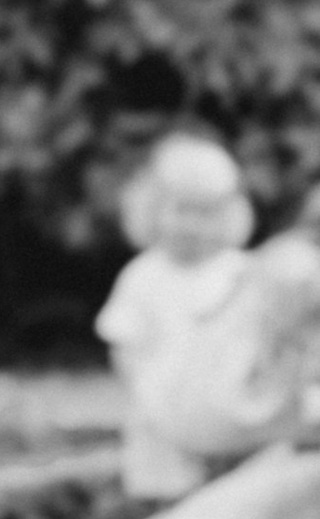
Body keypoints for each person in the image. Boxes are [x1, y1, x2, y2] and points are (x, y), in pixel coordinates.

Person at [95, 131, 305, 498]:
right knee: (174, 501)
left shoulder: (238, 271)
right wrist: (148, 396)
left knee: (237, 493)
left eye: (206, 213)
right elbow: (124, 345)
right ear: (153, 209)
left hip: (229, 406)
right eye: (181, 210)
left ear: (229, 215)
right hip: (166, 409)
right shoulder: (145, 277)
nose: (192, 225)